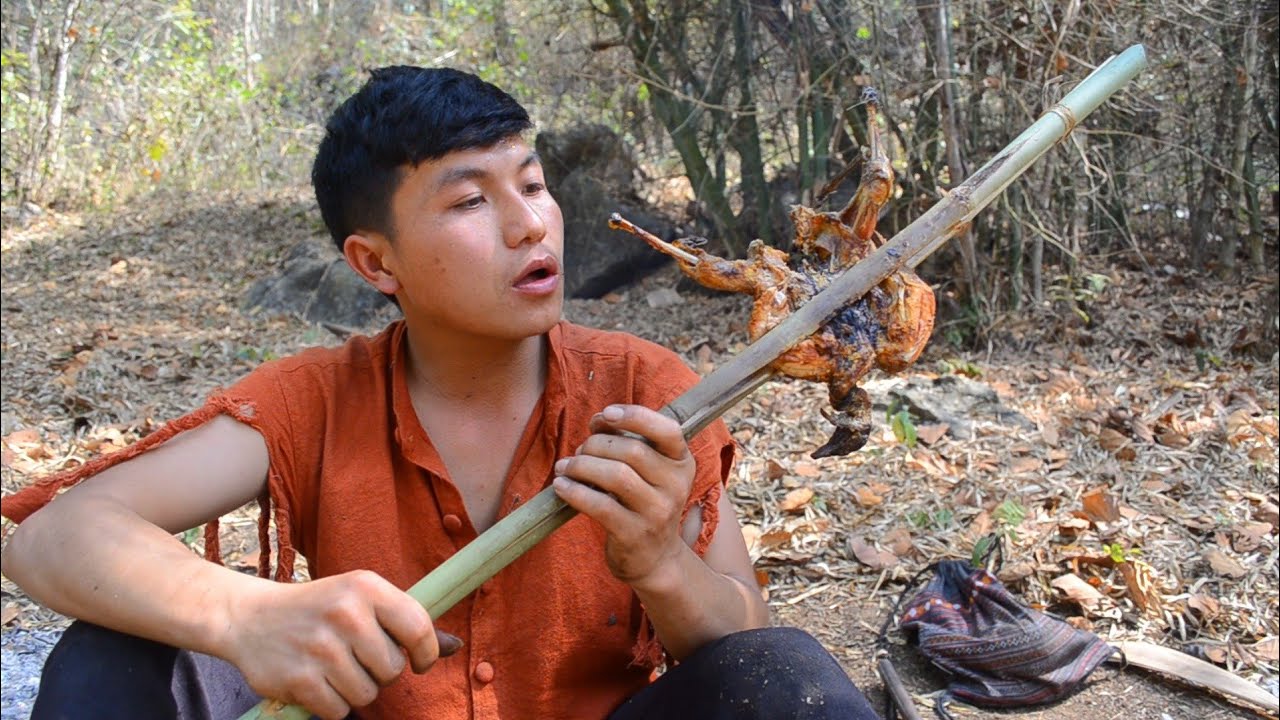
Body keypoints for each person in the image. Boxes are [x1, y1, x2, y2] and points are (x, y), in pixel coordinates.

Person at [1, 66, 879, 720]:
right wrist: (244, 614)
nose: (530, 221)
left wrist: (658, 561)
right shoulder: (314, 401)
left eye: (533, 184)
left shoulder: (645, 389)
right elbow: (54, 537)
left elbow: (743, 640)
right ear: (374, 263)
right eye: (470, 201)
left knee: (788, 677)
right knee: (113, 657)